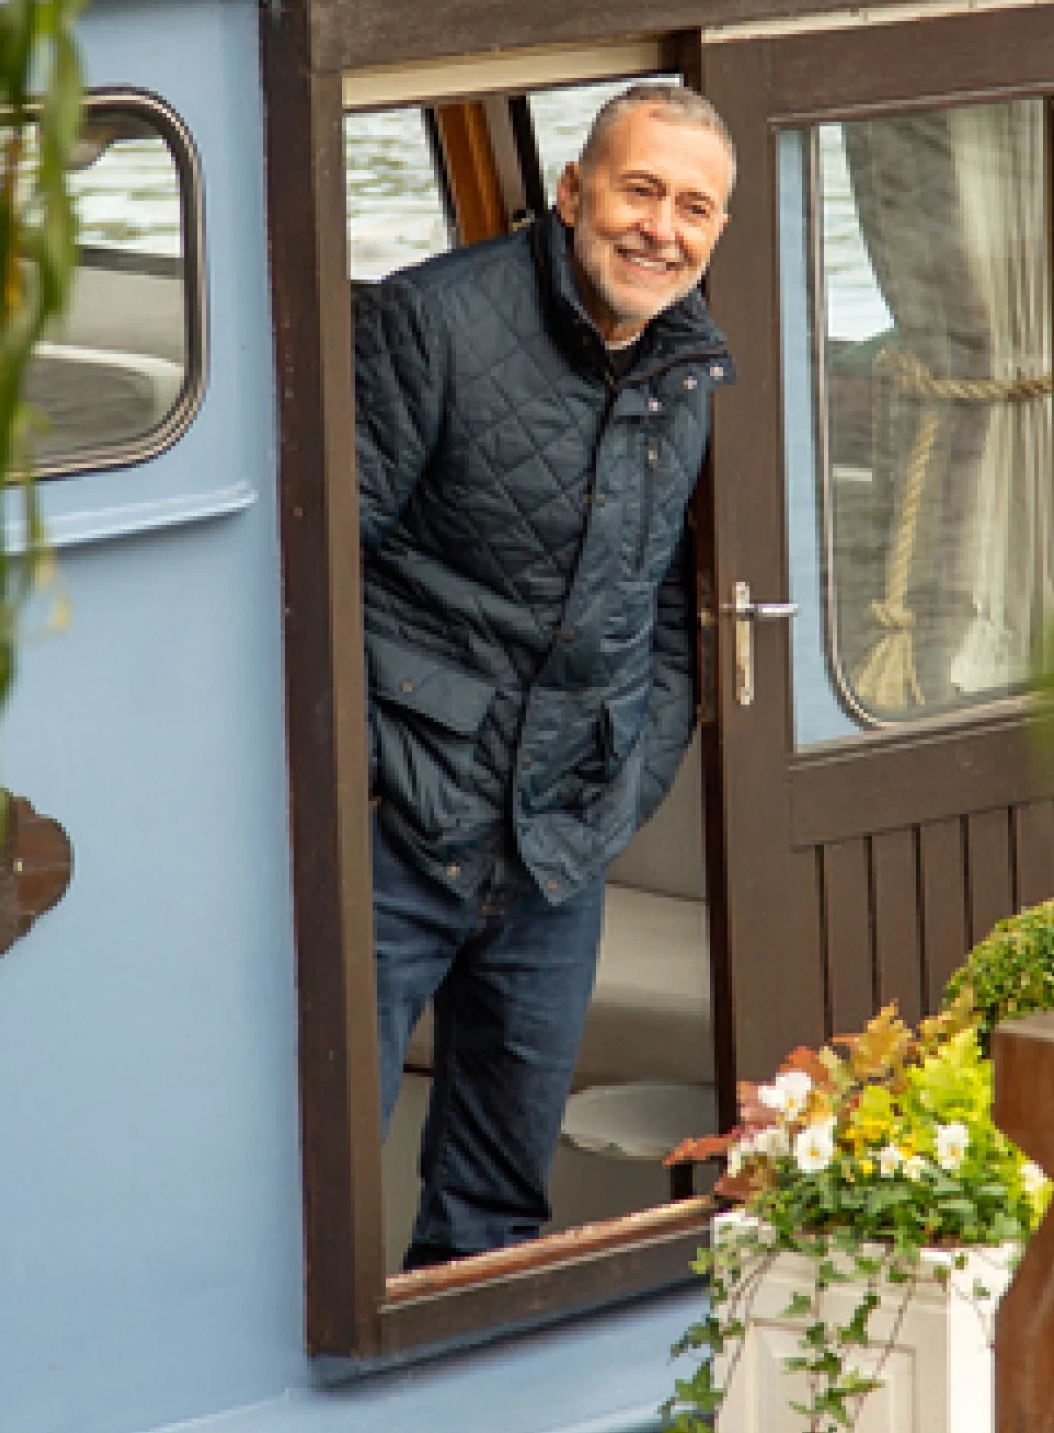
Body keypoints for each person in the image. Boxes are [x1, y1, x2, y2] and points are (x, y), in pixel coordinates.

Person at [355, 82, 736, 1267]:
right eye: (636, 190)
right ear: (571, 192)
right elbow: (315, 579)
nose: (659, 229)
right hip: (393, 834)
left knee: (497, 1213)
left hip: (558, 846)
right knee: (308, 1180)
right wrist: (372, 772)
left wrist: (626, 778)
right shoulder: (426, 324)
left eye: (692, 208)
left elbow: (670, 613)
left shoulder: (689, 363)